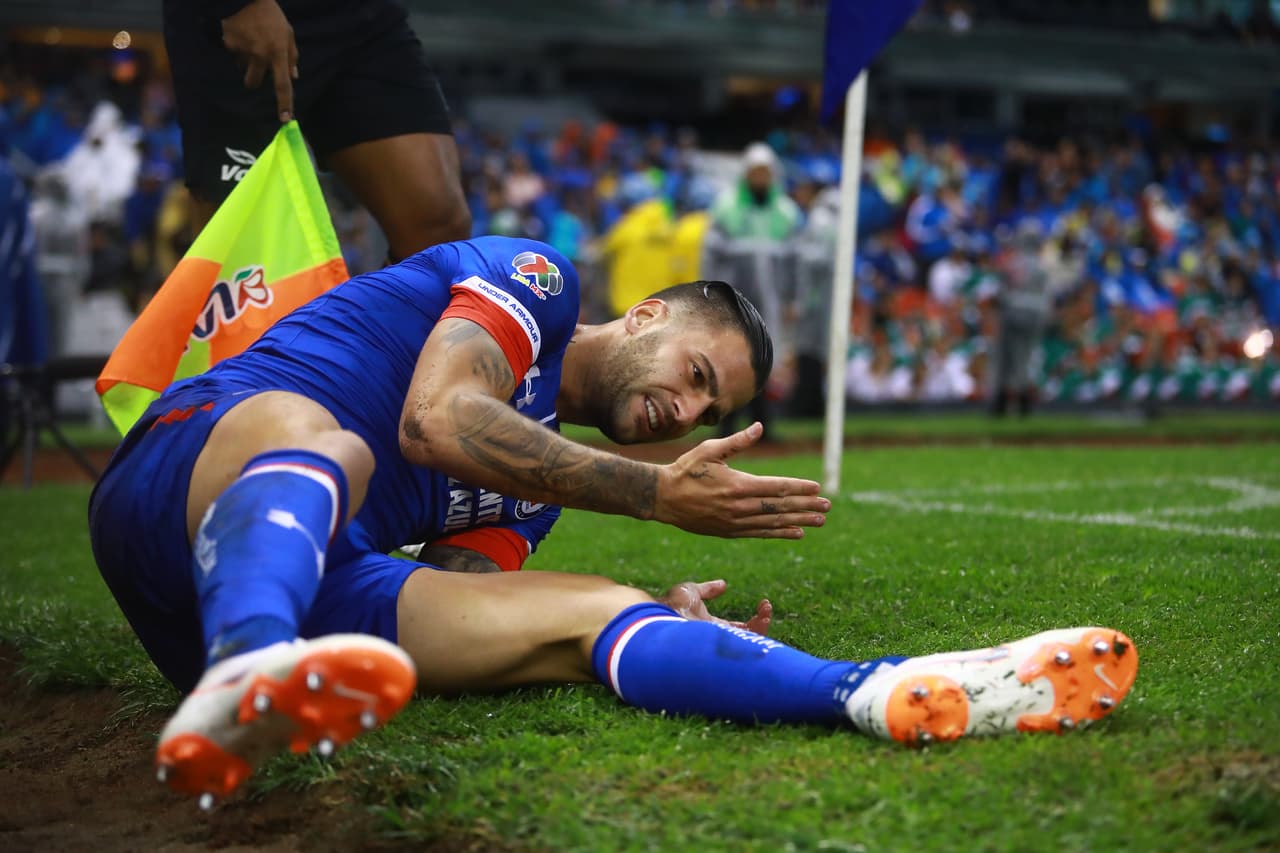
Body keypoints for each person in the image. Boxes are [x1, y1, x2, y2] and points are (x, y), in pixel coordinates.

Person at [88, 236, 1137, 809]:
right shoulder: (531, 281)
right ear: (644, 317)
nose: (684, 415)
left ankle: (874, 690)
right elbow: (436, 421)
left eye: (707, 413)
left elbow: (458, 599)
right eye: (691, 375)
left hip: (280, 571)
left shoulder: (535, 499)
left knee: (594, 610)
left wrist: (664, 610)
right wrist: (650, 495)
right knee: (339, 445)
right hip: (185, 473)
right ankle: (252, 660)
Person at [162, 0, 470, 260]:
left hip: (362, 15)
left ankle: (362, 332)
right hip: (250, 15)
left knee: (438, 232)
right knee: (241, 260)